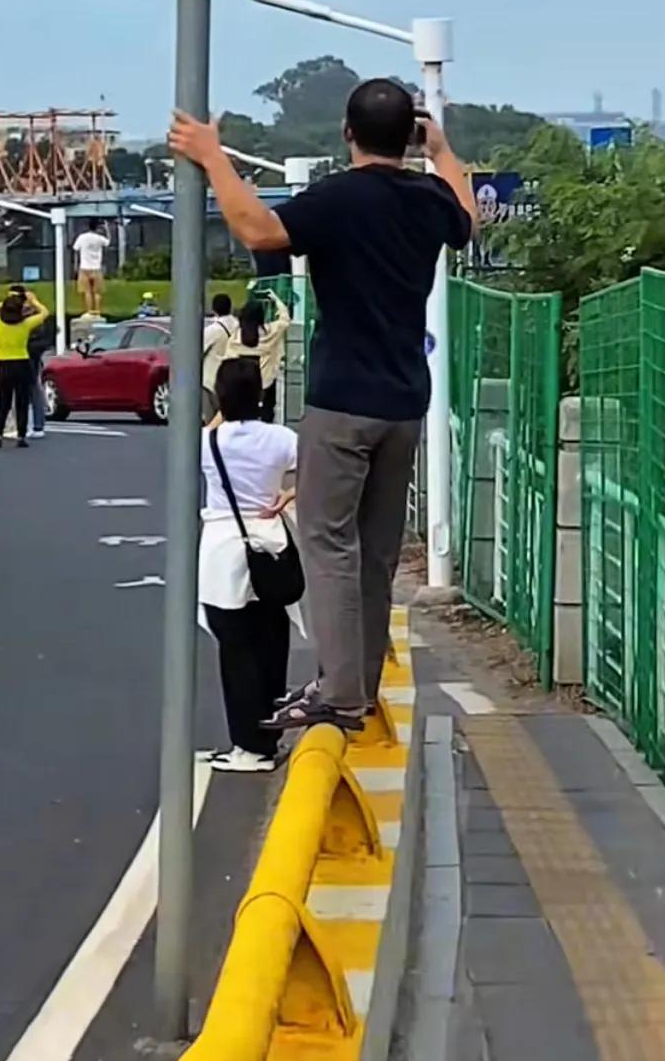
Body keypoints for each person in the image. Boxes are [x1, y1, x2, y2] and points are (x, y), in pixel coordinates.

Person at [171, 78, 476, 732]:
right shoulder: (428, 198)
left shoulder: (337, 199)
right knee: (375, 551)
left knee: (326, 541)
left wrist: (213, 155)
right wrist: (442, 151)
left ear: (347, 133)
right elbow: (468, 216)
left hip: (343, 402)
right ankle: (358, 685)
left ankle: (338, 693)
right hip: (404, 404)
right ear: (410, 136)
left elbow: (258, 228)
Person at [199, 356, 301, 772]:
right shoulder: (280, 438)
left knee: (235, 650)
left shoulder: (209, 442)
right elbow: (320, 464)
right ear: (260, 394)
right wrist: (288, 496)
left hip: (224, 550)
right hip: (270, 544)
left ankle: (248, 748)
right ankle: (269, 737)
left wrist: (223, 409)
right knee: (272, 642)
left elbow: (212, 428)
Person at [0, 287, 50, 448]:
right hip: (22, 363)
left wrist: (8, 300)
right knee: (22, 402)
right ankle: (21, 436)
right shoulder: (26, 325)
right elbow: (44, 313)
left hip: (4, 363)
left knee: (4, 403)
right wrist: (32, 301)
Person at [237, 290, 291, 422]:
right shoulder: (272, 331)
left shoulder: (236, 336)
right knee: (267, 415)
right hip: (266, 382)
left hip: (244, 383)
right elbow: (285, 319)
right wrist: (277, 300)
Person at [202, 292, 237, 425]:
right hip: (232, 379)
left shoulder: (213, 330)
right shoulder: (238, 326)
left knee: (211, 421)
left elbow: (198, 351)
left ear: (214, 309)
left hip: (211, 381)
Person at [27, 302, 54, 437]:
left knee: (33, 391)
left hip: (29, 359)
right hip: (28, 358)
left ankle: (37, 425)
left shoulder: (31, 322)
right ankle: (33, 425)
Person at [73, 221, 108, 314]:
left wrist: (75, 265)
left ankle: (89, 312)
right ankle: (97, 311)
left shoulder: (82, 237)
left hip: (84, 267)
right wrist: (106, 229)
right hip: (96, 267)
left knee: (87, 292)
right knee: (97, 292)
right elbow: (108, 242)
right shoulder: (100, 238)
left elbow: (75, 248)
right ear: (97, 228)